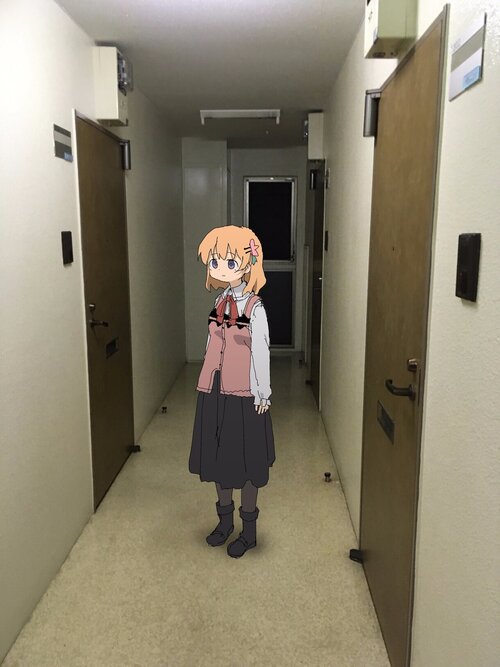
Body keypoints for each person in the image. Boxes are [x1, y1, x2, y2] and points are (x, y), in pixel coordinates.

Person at [189, 225, 275, 558]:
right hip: (214, 391)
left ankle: (248, 531)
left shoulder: (255, 308)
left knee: (247, 462)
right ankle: (224, 523)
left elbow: (261, 352)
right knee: (217, 458)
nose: (220, 268)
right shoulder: (219, 301)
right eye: (215, 261)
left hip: (244, 395)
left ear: (248, 263)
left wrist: (263, 393)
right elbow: (211, 341)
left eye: (228, 261)